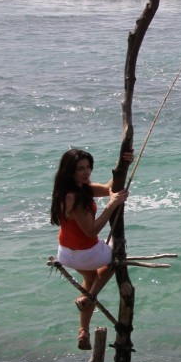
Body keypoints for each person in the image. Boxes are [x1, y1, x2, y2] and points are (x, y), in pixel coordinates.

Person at [50, 148, 132, 350]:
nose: (86, 173)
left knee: (91, 279)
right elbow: (91, 231)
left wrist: (125, 163)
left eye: (88, 167)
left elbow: (107, 188)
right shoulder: (75, 198)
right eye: (80, 169)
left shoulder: (72, 189)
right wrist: (111, 205)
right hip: (86, 253)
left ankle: (83, 331)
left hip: (67, 252)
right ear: (70, 171)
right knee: (117, 258)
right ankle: (89, 298)